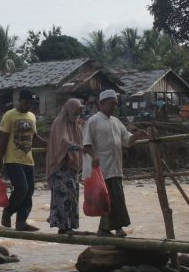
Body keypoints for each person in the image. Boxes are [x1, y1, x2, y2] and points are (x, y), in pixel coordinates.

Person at [82, 89, 136, 237]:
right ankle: (107, 229)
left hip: (116, 167)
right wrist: (94, 156)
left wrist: (138, 135)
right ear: (101, 104)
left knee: (117, 198)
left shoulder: (116, 122)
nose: (114, 107)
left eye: (116, 104)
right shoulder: (93, 121)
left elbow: (127, 140)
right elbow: (86, 144)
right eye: (112, 103)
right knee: (109, 199)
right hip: (102, 169)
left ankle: (113, 228)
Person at [0, 88, 46, 231]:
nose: (29, 105)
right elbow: (2, 140)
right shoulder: (9, 115)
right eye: (26, 102)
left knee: (29, 191)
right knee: (21, 188)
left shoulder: (32, 117)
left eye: (31, 103)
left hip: (28, 160)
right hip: (12, 160)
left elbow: (34, 138)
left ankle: (21, 222)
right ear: (19, 101)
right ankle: (8, 211)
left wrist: (50, 144)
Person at [45, 98, 84, 234]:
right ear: (68, 111)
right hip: (61, 166)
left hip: (71, 166)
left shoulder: (76, 125)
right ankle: (63, 226)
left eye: (78, 114)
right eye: (74, 114)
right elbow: (62, 141)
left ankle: (70, 225)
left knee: (73, 194)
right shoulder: (59, 123)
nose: (76, 117)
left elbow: (81, 138)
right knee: (63, 195)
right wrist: (77, 147)